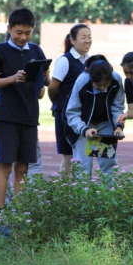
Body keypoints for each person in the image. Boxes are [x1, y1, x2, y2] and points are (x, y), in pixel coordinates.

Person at [0, 8, 49, 236]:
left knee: (23, 168)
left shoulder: (37, 50)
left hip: (30, 117)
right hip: (6, 117)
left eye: (28, 33)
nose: (23, 37)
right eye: (19, 32)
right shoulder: (0, 50)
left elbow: (41, 93)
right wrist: (13, 78)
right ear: (9, 29)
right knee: (4, 167)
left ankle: (18, 214)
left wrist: (46, 78)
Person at [66, 55, 125, 176]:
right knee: (83, 167)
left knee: (109, 165)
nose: (102, 88)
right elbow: (72, 112)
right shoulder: (82, 80)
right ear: (91, 79)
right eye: (98, 86)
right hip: (83, 124)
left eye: (106, 85)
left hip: (105, 124)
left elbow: (117, 107)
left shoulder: (117, 80)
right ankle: (84, 195)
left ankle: (109, 193)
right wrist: (84, 129)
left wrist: (118, 126)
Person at [48, 24, 91, 172]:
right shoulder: (65, 60)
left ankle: (77, 191)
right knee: (69, 155)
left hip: (84, 115)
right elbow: (53, 88)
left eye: (89, 37)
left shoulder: (90, 61)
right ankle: (64, 192)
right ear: (72, 41)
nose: (87, 41)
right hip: (65, 114)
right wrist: (59, 104)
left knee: (84, 154)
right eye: (83, 37)